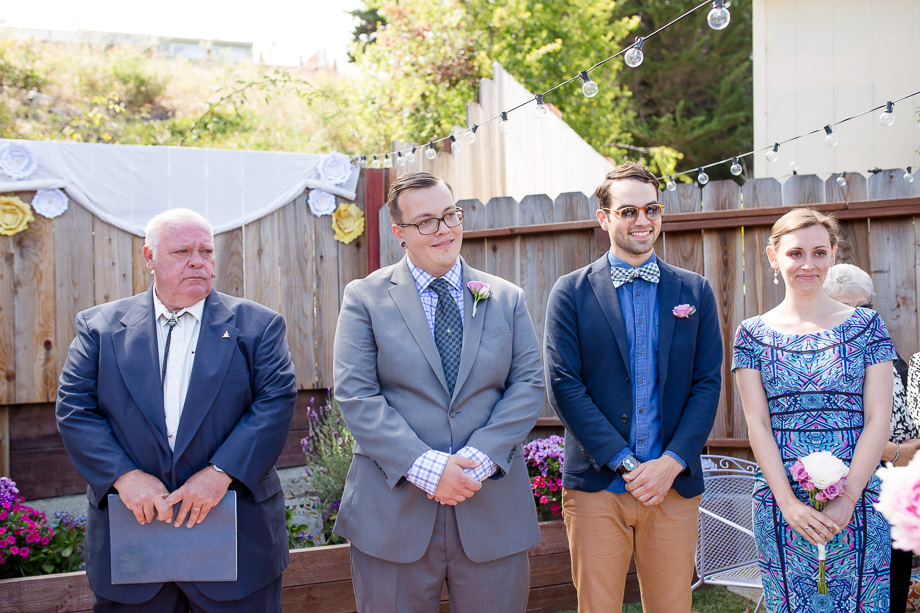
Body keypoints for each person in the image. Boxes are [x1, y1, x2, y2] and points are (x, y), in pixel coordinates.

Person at [56, 209, 297, 611]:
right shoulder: (98, 328)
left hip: (237, 546)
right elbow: (74, 409)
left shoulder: (259, 326)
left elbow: (275, 404)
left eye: (206, 251)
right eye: (181, 251)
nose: (197, 262)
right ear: (148, 257)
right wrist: (125, 477)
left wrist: (221, 474)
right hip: (133, 544)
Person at [332, 171, 545, 612]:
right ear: (400, 234)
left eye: (450, 215)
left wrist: (479, 459)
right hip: (393, 515)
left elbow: (528, 384)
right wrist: (426, 467)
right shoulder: (365, 298)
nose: (444, 229)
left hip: (491, 508)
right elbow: (356, 394)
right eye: (427, 221)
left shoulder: (505, 298)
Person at [543, 161, 723, 612]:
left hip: (672, 485)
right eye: (628, 211)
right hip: (597, 486)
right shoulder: (570, 292)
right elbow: (564, 385)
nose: (643, 221)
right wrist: (625, 463)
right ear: (604, 218)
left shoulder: (694, 291)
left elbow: (707, 384)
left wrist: (670, 463)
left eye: (652, 209)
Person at [733, 209, 894, 613]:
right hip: (782, 501)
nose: (808, 264)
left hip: (859, 499)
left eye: (819, 252)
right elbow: (758, 425)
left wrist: (850, 496)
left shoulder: (868, 326)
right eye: (795, 253)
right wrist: (788, 503)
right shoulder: (751, 334)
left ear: (833, 255)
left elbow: (878, 417)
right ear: (773, 256)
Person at [824, 262, 920, 613]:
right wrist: (896, 452)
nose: (859, 317)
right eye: (847, 309)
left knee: (895, 581)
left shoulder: (883, 349)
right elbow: (835, 427)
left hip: (896, 490)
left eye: (865, 308)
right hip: (851, 489)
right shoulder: (828, 358)